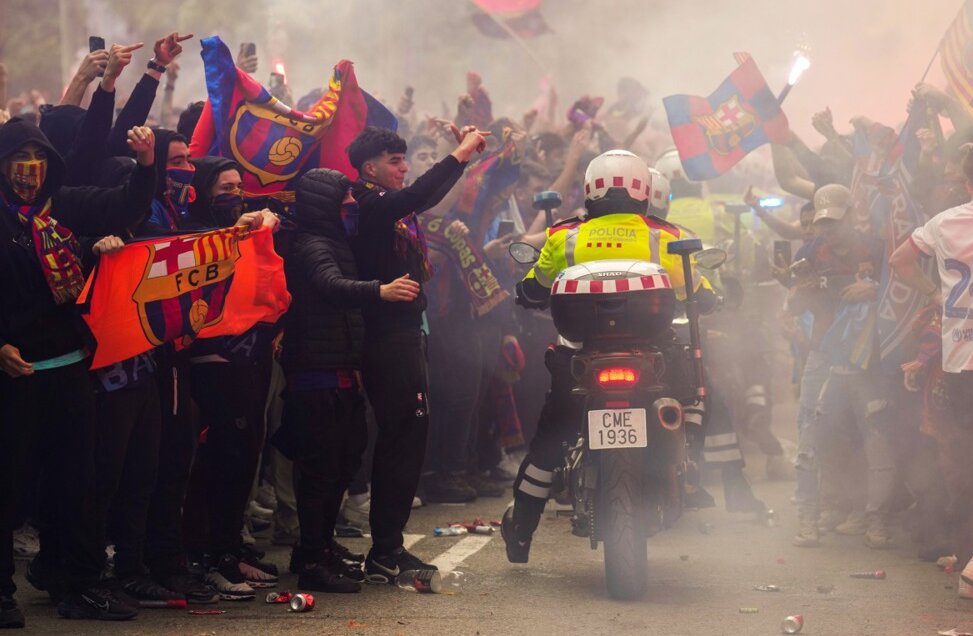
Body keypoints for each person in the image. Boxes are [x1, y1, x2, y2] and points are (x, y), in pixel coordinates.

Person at [503, 149, 726, 563]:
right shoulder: (666, 236)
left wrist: (527, 291)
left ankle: (521, 531)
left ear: (589, 190)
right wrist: (711, 297)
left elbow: (533, 287)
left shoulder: (564, 237)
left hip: (580, 363)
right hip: (652, 362)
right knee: (696, 393)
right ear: (644, 189)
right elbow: (701, 291)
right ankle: (689, 469)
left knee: (550, 443)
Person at [0, 118, 156, 625]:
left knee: (76, 482)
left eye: (38, 160)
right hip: (13, 375)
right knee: (9, 484)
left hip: (68, 369)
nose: (29, 172)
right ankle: (2, 593)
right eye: (18, 162)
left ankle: (76, 585)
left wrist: (147, 164)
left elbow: (126, 204)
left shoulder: (61, 206)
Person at [347, 124, 487, 580]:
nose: (404, 169)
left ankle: (388, 546)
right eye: (395, 161)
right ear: (370, 169)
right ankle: (383, 549)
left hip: (406, 333)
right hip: (384, 337)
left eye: (405, 160)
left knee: (406, 440)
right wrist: (460, 154)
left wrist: (462, 159)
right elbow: (419, 196)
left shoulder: (391, 204)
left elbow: (424, 197)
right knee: (399, 439)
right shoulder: (368, 202)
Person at [276, 168, 420, 593]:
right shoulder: (313, 244)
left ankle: (318, 548)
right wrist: (380, 291)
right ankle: (312, 558)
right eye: (346, 204)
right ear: (325, 206)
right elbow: (329, 284)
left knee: (343, 461)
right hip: (315, 375)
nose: (354, 209)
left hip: (339, 370)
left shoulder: (336, 242)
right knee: (321, 469)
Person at [890, 147, 973, 591]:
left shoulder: (945, 224)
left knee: (963, 469)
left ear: (965, 183)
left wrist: (935, 293)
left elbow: (898, 261)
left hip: (963, 365)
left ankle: (969, 567)